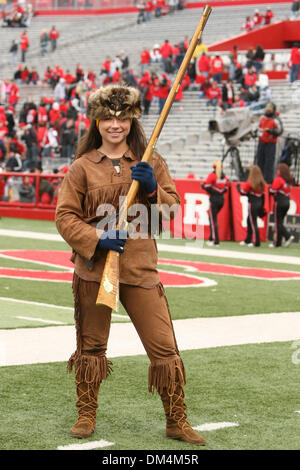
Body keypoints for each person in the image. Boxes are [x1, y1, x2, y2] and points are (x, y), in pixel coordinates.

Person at [55, 84, 206, 446]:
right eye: (108, 117)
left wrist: (153, 189)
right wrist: (96, 239)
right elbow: (64, 216)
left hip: (140, 270)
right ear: (97, 120)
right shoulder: (82, 167)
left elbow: (172, 212)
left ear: (132, 120)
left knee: (164, 348)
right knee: (91, 347)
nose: (115, 125)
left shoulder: (150, 160)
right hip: (94, 270)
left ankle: (176, 420)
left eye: (123, 118)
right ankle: (86, 413)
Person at [201, 160, 229, 246]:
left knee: (213, 220)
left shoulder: (212, 175)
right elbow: (226, 188)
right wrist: (219, 191)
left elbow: (207, 186)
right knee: (212, 218)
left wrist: (203, 186)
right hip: (221, 200)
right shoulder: (225, 177)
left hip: (214, 199)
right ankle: (211, 238)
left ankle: (215, 241)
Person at [238, 165, 266, 247]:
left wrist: (238, 188)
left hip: (253, 203)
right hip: (259, 203)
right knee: (249, 220)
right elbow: (263, 195)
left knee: (253, 222)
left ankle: (256, 242)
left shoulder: (250, 182)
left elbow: (243, 191)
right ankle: (248, 239)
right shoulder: (262, 183)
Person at [256, 102, 283, 183]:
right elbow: (258, 127)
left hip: (271, 143)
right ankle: (258, 179)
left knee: (269, 162)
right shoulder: (262, 118)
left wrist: (271, 131)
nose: (268, 112)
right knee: (260, 161)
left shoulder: (276, 119)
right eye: (267, 110)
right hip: (261, 142)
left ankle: (268, 181)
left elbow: (280, 130)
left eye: (270, 110)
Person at [269, 163, 295, 247]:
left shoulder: (279, 179)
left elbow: (272, 191)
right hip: (287, 202)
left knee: (277, 222)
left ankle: (285, 237)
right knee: (280, 222)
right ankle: (279, 241)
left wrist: (270, 189)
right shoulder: (288, 180)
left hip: (279, 202)